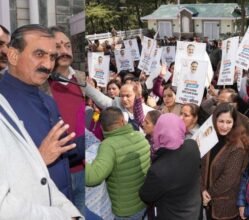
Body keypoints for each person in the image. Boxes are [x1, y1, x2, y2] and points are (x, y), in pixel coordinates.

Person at [0, 24, 77, 200]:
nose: (48, 65)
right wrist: (39, 159)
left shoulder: (48, 100)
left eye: (52, 57)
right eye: (39, 55)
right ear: (13, 55)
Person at [46, 26, 86, 214]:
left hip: (86, 172)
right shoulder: (40, 85)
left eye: (67, 45)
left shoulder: (82, 78)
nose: (64, 51)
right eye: (58, 46)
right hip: (57, 173)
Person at [85, 107, 150, 219]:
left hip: (125, 211)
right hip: (144, 202)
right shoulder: (140, 136)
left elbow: (92, 177)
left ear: (102, 127)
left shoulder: (108, 145)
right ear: (122, 121)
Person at [139, 113, 201, 220]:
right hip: (194, 211)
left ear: (158, 133)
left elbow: (146, 195)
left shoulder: (158, 170)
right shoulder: (192, 145)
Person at [201, 103, 249, 220]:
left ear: (234, 123)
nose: (224, 126)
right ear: (214, 120)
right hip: (206, 199)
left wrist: (209, 194)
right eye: (221, 121)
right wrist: (202, 189)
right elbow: (200, 166)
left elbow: (228, 179)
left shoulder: (237, 147)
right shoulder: (209, 137)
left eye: (229, 122)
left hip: (224, 205)